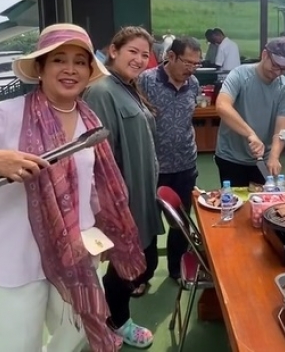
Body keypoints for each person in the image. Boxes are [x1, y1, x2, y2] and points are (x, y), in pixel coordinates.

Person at [0, 23, 145, 352]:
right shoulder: (6, 114)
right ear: (40, 68)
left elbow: (92, 192)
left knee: (75, 334)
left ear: (89, 70)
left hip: (74, 257)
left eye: (79, 61)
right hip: (11, 261)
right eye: (58, 60)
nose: (70, 69)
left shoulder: (91, 123)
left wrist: (96, 240)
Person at [83, 26, 163, 348]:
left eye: (145, 54)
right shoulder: (102, 92)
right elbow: (99, 157)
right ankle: (117, 321)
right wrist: (111, 208)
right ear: (113, 50)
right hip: (121, 199)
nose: (140, 59)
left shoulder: (128, 87)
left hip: (140, 191)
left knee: (143, 262)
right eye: (133, 51)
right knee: (125, 266)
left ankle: (110, 312)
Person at [139, 37, 201, 281]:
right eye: (188, 62)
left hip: (185, 165)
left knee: (181, 222)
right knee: (148, 224)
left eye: (196, 64)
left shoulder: (193, 83)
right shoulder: (146, 80)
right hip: (153, 167)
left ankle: (177, 269)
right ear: (171, 56)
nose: (191, 69)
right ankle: (144, 275)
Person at [215, 37, 285, 186]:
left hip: (263, 159)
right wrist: (250, 134)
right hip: (231, 156)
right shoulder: (239, 75)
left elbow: (281, 129)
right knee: (234, 204)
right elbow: (222, 106)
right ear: (264, 55)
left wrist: (274, 155)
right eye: (276, 65)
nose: (278, 72)